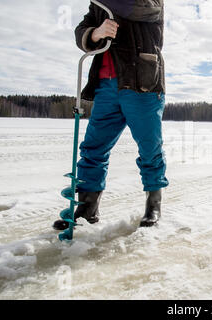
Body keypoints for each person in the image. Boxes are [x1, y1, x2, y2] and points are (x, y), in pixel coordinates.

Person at [54, 0, 168, 230]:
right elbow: (82, 30)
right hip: (106, 85)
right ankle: (88, 205)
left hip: (141, 83)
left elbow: (145, 9)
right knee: (93, 147)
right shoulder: (98, 3)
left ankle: (153, 205)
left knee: (149, 148)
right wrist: (95, 33)